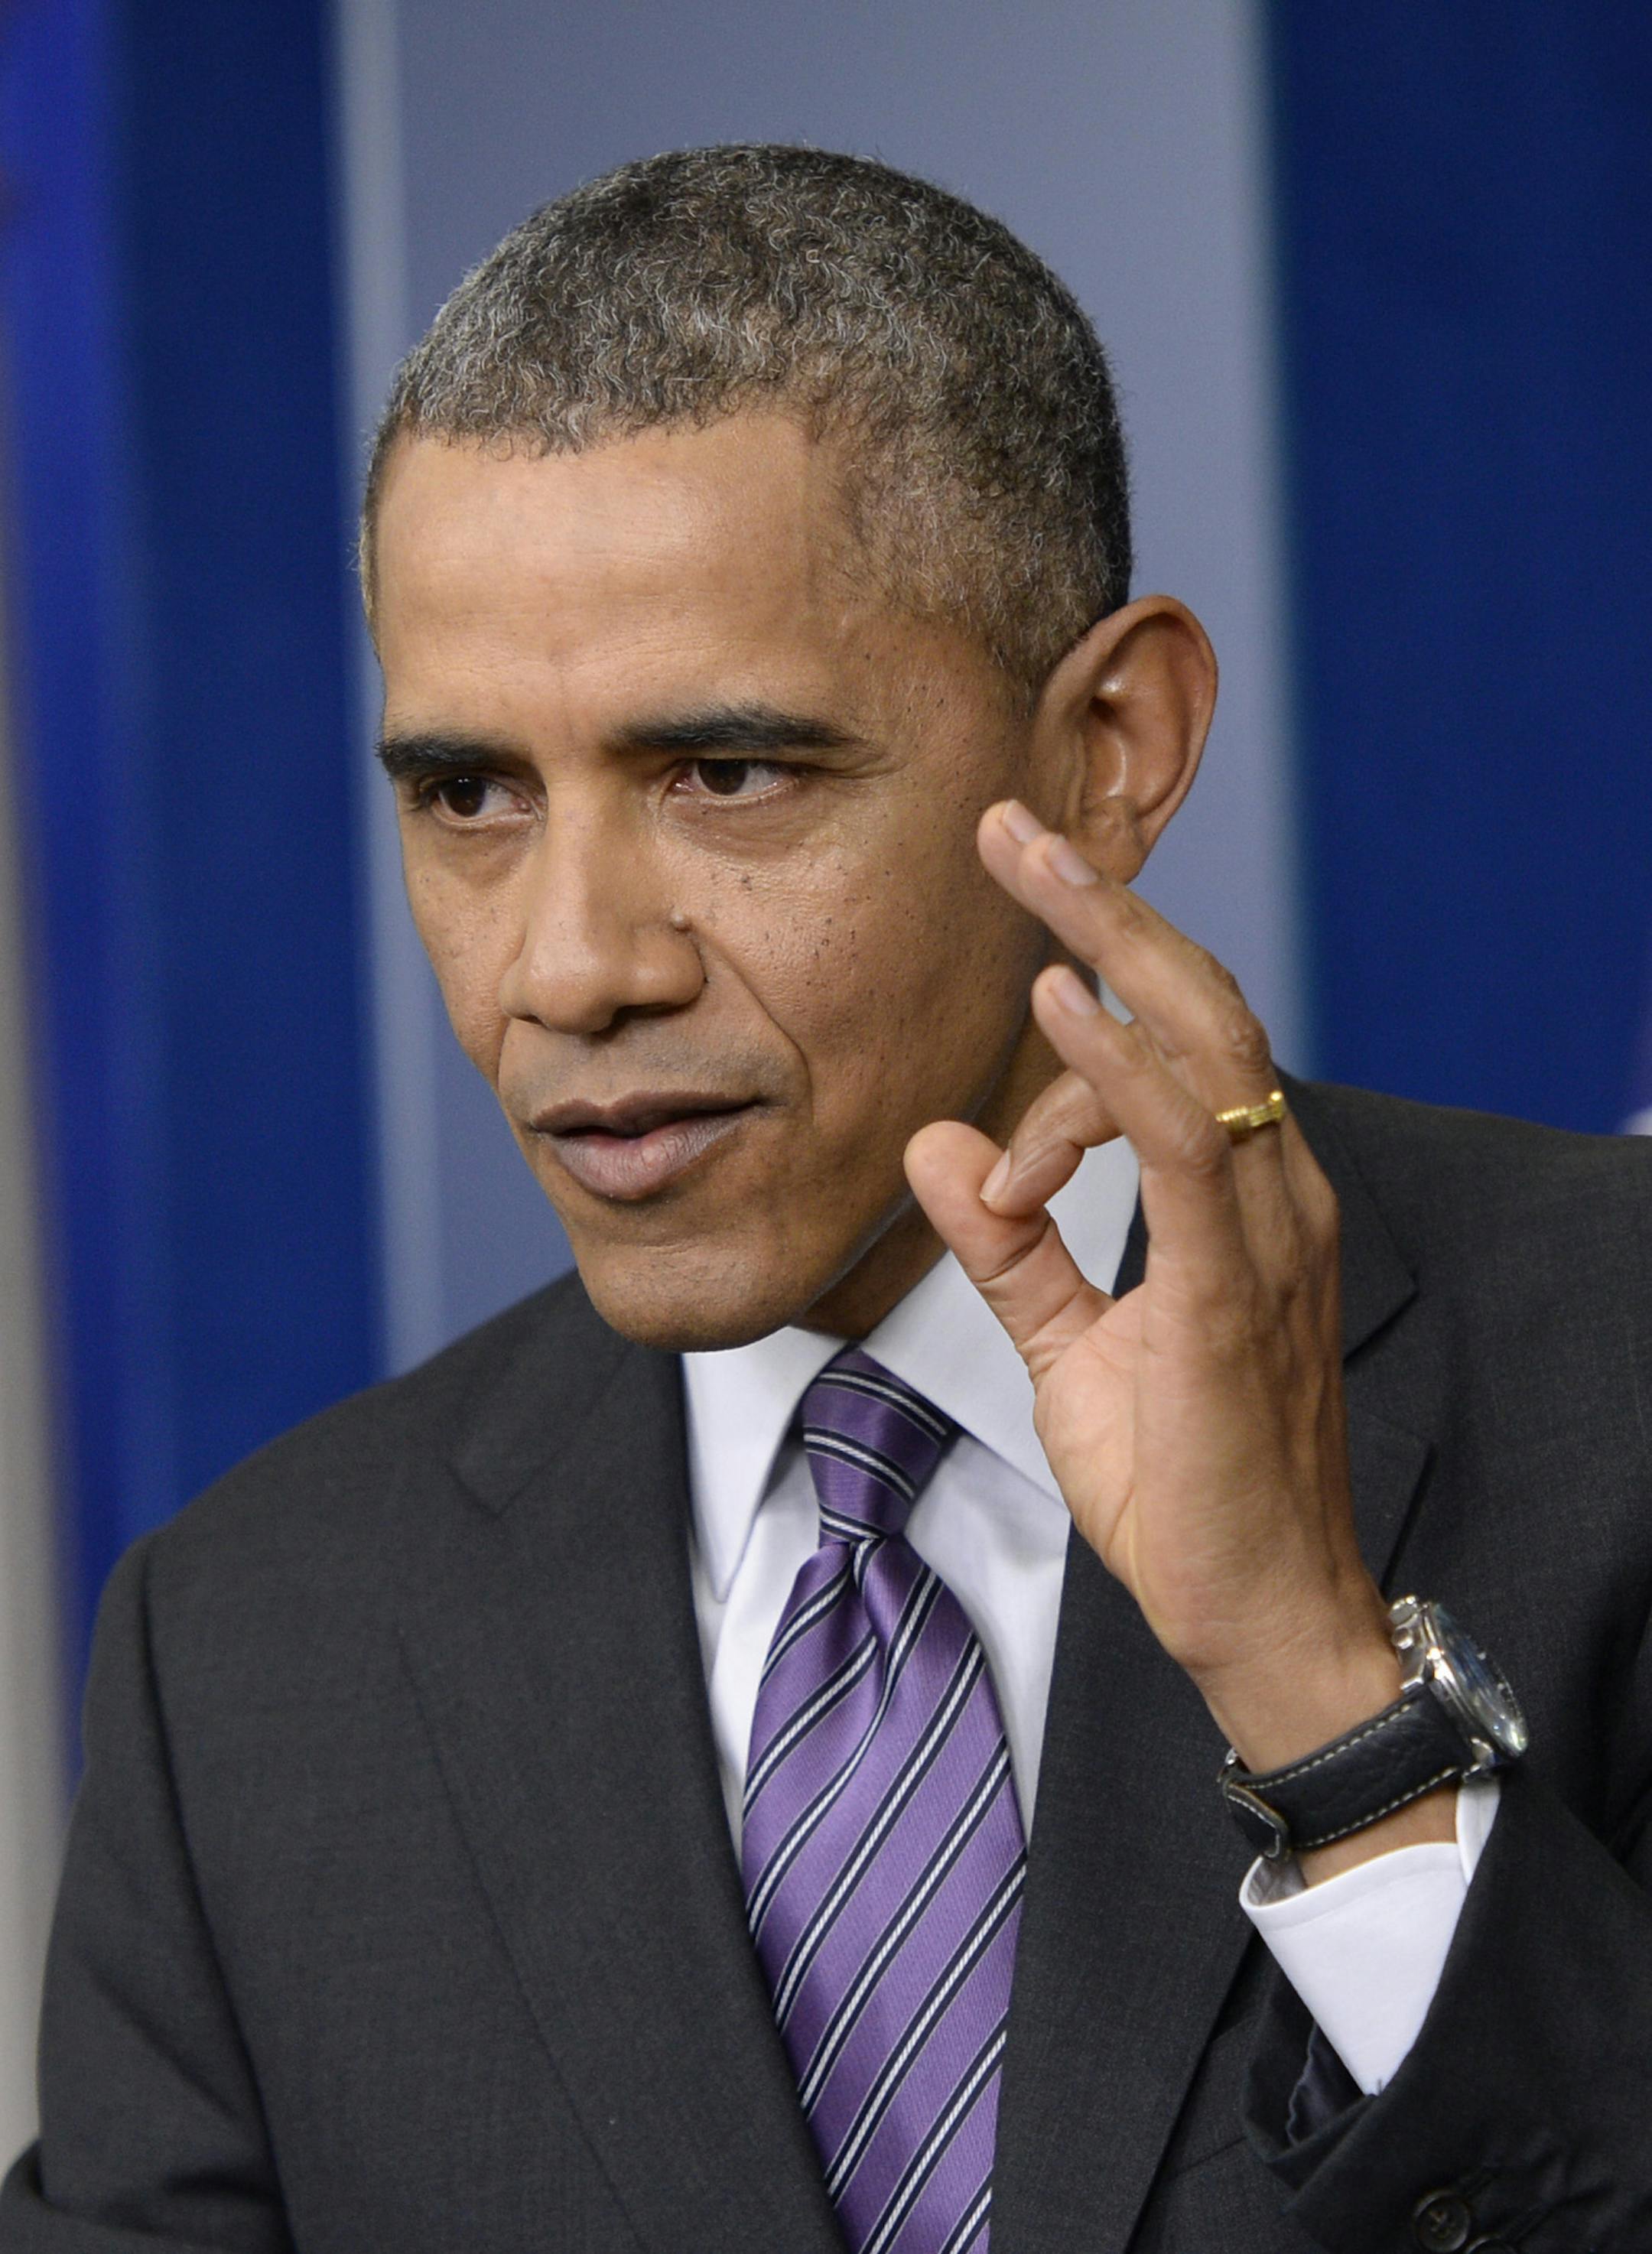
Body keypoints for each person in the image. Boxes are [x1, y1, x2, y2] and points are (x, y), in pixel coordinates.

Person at [5, 144, 1651, 2254]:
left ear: (1112, 748)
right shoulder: (250, 1658)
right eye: (469, 794)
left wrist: (1322, 1693)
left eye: (727, 772)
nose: (569, 965)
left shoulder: (1610, 1362)